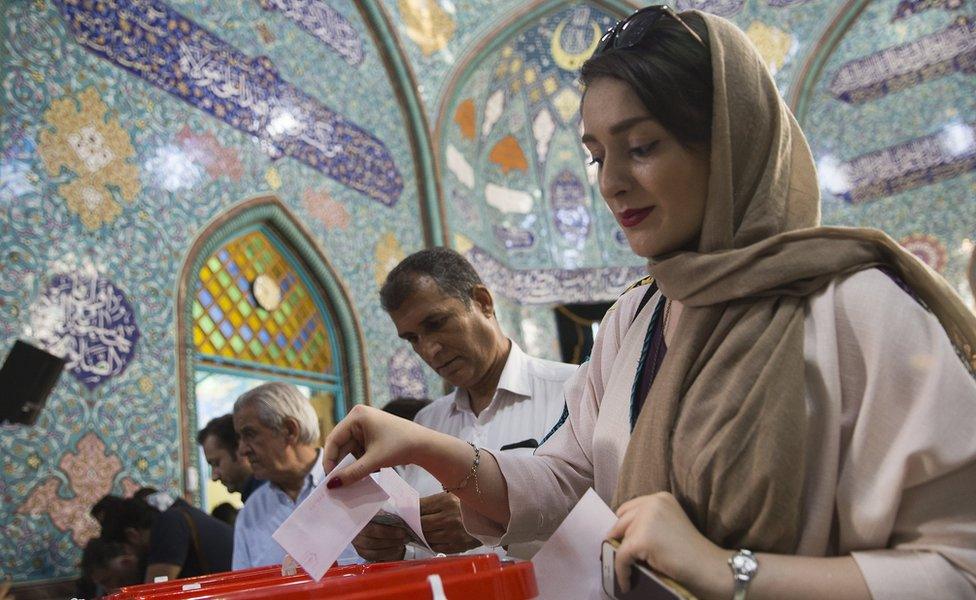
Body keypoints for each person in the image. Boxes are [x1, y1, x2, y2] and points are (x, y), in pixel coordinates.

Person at [323, 7, 976, 599]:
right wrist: (429, 450)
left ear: (728, 142)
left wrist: (731, 572)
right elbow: (566, 485)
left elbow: (958, 567)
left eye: (641, 147)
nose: (610, 183)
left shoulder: (859, 310)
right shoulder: (638, 319)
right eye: (597, 155)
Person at [351, 248, 576, 562]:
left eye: (436, 323)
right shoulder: (425, 424)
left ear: (482, 302)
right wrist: (390, 543)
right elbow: (424, 551)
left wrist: (490, 520)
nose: (429, 349)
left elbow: (614, 524)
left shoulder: (574, 391)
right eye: (412, 338)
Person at [232, 381, 360, 569]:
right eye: (240, 438)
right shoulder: (251, 513)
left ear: (290, 430)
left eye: (250, 434)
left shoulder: (355, 482)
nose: (242, 450)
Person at [98, 495, 233, 583]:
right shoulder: (176, 516)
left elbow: (155, 594)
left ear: (132, 535)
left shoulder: (168, 524)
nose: (130, 556)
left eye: (126, 549)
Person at [197, 414, 264, 502]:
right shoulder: (256, 499)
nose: (214, 477)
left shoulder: (269, 497)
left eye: (216, 463)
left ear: (240, 450)